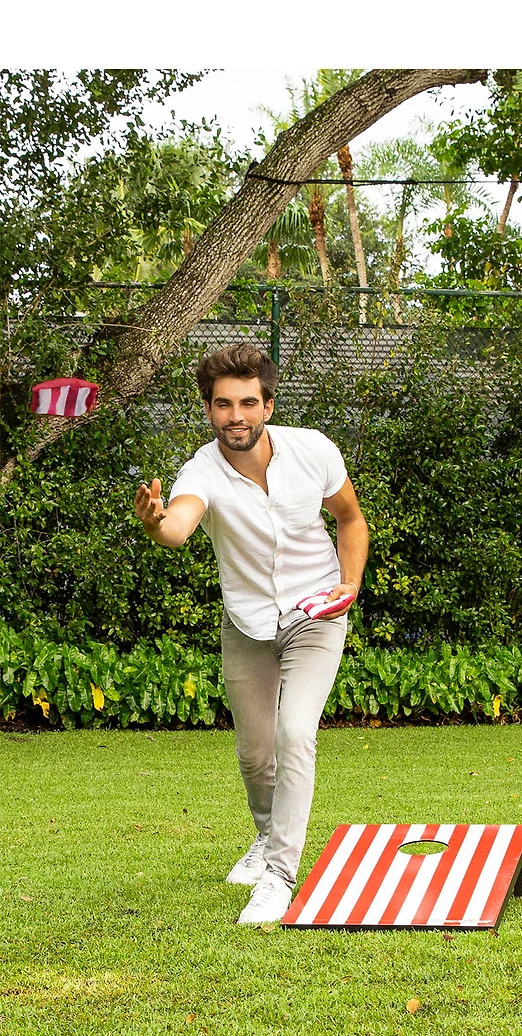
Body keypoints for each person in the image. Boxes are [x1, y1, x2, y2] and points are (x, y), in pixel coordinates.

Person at [133, 344, 369, 925]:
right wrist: (156, 521)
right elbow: (180, 527)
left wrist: (349, 583)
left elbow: (350, 519)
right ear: (208, 410)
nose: (234, 416)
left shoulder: (312, 449)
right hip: (246, 622)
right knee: (255, 751)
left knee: (294, 734)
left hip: (316, 612)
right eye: (221, 405)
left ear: (267, 403)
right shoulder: (199, 471)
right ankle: (266, 836)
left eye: (246, 403)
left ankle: (280, 875)